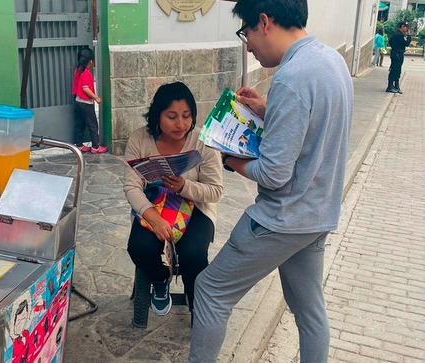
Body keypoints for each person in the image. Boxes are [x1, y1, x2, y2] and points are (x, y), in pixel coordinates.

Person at [188, 1, 353, 362]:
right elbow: (316, 128)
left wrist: (229, 157)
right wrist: (268, 110)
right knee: (309, 312)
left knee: (211, 290)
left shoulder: (292, 79)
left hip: (281, 218)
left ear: (264, 22)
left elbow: (273, 175)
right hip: (318, 215)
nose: (247, 44)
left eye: (245, 32)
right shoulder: (331, 61)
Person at [124, 82, 223, 316]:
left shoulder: (202, 142)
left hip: (196, 208)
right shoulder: (140, 139)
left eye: (187, 116)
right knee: (139, 247)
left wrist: (185, 186)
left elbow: (216, 190)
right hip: (155, 205)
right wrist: (154, 219)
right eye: (172, 116)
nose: (181, 124)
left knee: (193, 255)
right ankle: (160, 280)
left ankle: (196, 301)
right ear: (157, 115)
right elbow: (132, 186)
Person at [73, 50, 106, 154]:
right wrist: (96, 97)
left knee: (80, 124)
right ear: (91, 61)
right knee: (93, 125)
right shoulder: (87, 73)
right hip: (85, 104)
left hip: (78, 102)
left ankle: (79, 145)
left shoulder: (78, 70)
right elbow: (85, 88)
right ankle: (96, 147)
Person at [387, 22, 412, 94]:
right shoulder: (399, 35)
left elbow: (390, 41)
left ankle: (395, 86)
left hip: (396, 53)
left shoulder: (396, 34)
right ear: (402, 27)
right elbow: (406, 43)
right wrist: (409, 36)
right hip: (398, 54)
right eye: (406, 27)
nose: (407, 29)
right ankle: (390, 86)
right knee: (395, 69)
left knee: (397, 69)